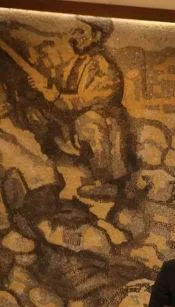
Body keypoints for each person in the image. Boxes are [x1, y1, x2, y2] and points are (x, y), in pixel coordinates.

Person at [18, 17, 133, 199]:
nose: (74, 36)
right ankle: (49, 165)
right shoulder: (80, 62)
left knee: (89, 122)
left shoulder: (105, 68)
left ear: (96, 36)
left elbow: (81, 102)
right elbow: (64, 89)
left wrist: (51, 93)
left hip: (102, 125)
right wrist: (45, 86)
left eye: (80, 32)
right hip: (74, 117)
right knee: (35, 113)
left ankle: (105, 182)